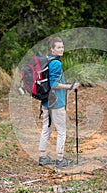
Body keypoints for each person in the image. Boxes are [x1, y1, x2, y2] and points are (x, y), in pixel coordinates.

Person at [38, 37, 79, 168]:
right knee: (61, 131)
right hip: (56, 102)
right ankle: (60, 159)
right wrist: (70, 87)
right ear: (52, 49)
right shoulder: (56, 63)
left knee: (46, 128)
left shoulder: (46, 60)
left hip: (46, 102)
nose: (62, 49)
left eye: (62, 47)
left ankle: (42, 157)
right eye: (58, 47)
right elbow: (54, 84)